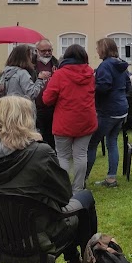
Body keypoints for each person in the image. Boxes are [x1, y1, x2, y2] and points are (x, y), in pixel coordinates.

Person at [0, 96, 98, 263]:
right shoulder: (40, 153)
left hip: (0, 235)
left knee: (57, 209)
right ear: (26, 120)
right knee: (83, 199)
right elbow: (64, 196)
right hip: (40, 234)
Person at [42, 44, 97, 192]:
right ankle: (78, 188)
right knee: (80, 155)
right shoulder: (90, 74)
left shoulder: (60, 74)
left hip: (64, 121)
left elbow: (47, 99)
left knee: (63, 156)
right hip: (86, 119)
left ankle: (63, 188)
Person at [86, 38, 130, 188]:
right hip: (122, 108)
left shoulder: (105, 66)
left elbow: (104, 87)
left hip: (108, 110)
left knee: (92, 144)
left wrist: (92, 85)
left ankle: (81, 179)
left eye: (98, 48)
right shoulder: (121, 65)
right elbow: (128, 84)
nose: (97, 51)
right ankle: (111, 178)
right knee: (112, 142)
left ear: (104, 49)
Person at [34, 39, 59, 149]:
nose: (47, 53)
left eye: (49, 50)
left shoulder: (57, 63)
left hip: (53, 106)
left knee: (52, 136)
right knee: (38, 135)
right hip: (36, 105)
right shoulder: (31, 64)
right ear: (37, 51)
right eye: (44, 51)